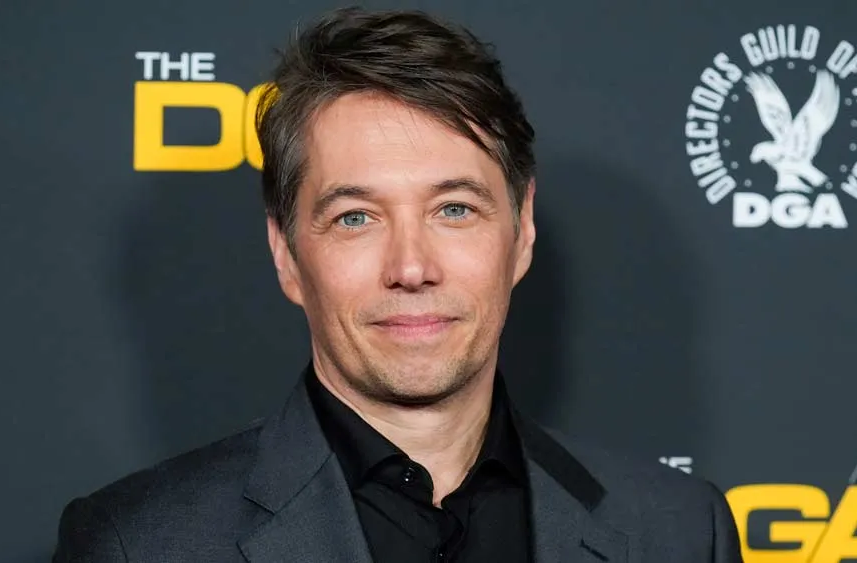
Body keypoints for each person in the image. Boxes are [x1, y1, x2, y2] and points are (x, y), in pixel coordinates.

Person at [52, 7, 743, 562]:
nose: (411, 267)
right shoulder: (140, 543)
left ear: (523, 229)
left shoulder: (680, 531)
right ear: (286, 253)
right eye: (355, 217)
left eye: (454, 209)